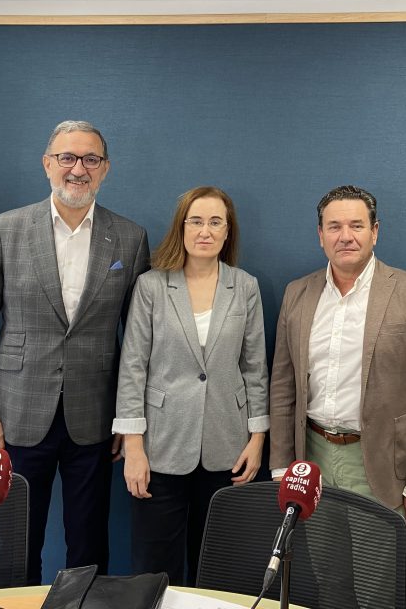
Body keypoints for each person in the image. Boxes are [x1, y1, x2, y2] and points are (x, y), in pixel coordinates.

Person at [0, 120, 150, 584]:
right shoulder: (4, 229)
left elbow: (138, 343)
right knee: (16, 539)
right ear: (48, 164)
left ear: (105, 169)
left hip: (95, 419)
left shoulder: (130, 237)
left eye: (91, 159)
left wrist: (128, 420)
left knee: (89, 542)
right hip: (16, 415)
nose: (78, 169)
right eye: (67, 157)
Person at [113, 186, 269, 586]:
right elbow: (132, 368)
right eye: (196, 221)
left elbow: (255, 368)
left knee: (217, 566)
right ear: (181, 227)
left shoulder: (245, 286)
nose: (205, 231)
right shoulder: (151, 285)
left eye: (216, 222)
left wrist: (257, 439)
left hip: (227, 446)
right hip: (160, 447)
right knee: (154, 568)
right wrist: (133, 448)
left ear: (228, 231)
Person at [269, 185, 406, 521]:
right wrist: (282, 466)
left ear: (375, 232)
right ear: (320, 235)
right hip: (310, 459)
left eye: (356, 226)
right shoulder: (297, 294)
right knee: (318, 556)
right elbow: (283, 387)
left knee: (377, 558)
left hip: (382, 465)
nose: (346, 237)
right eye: (334, 227)